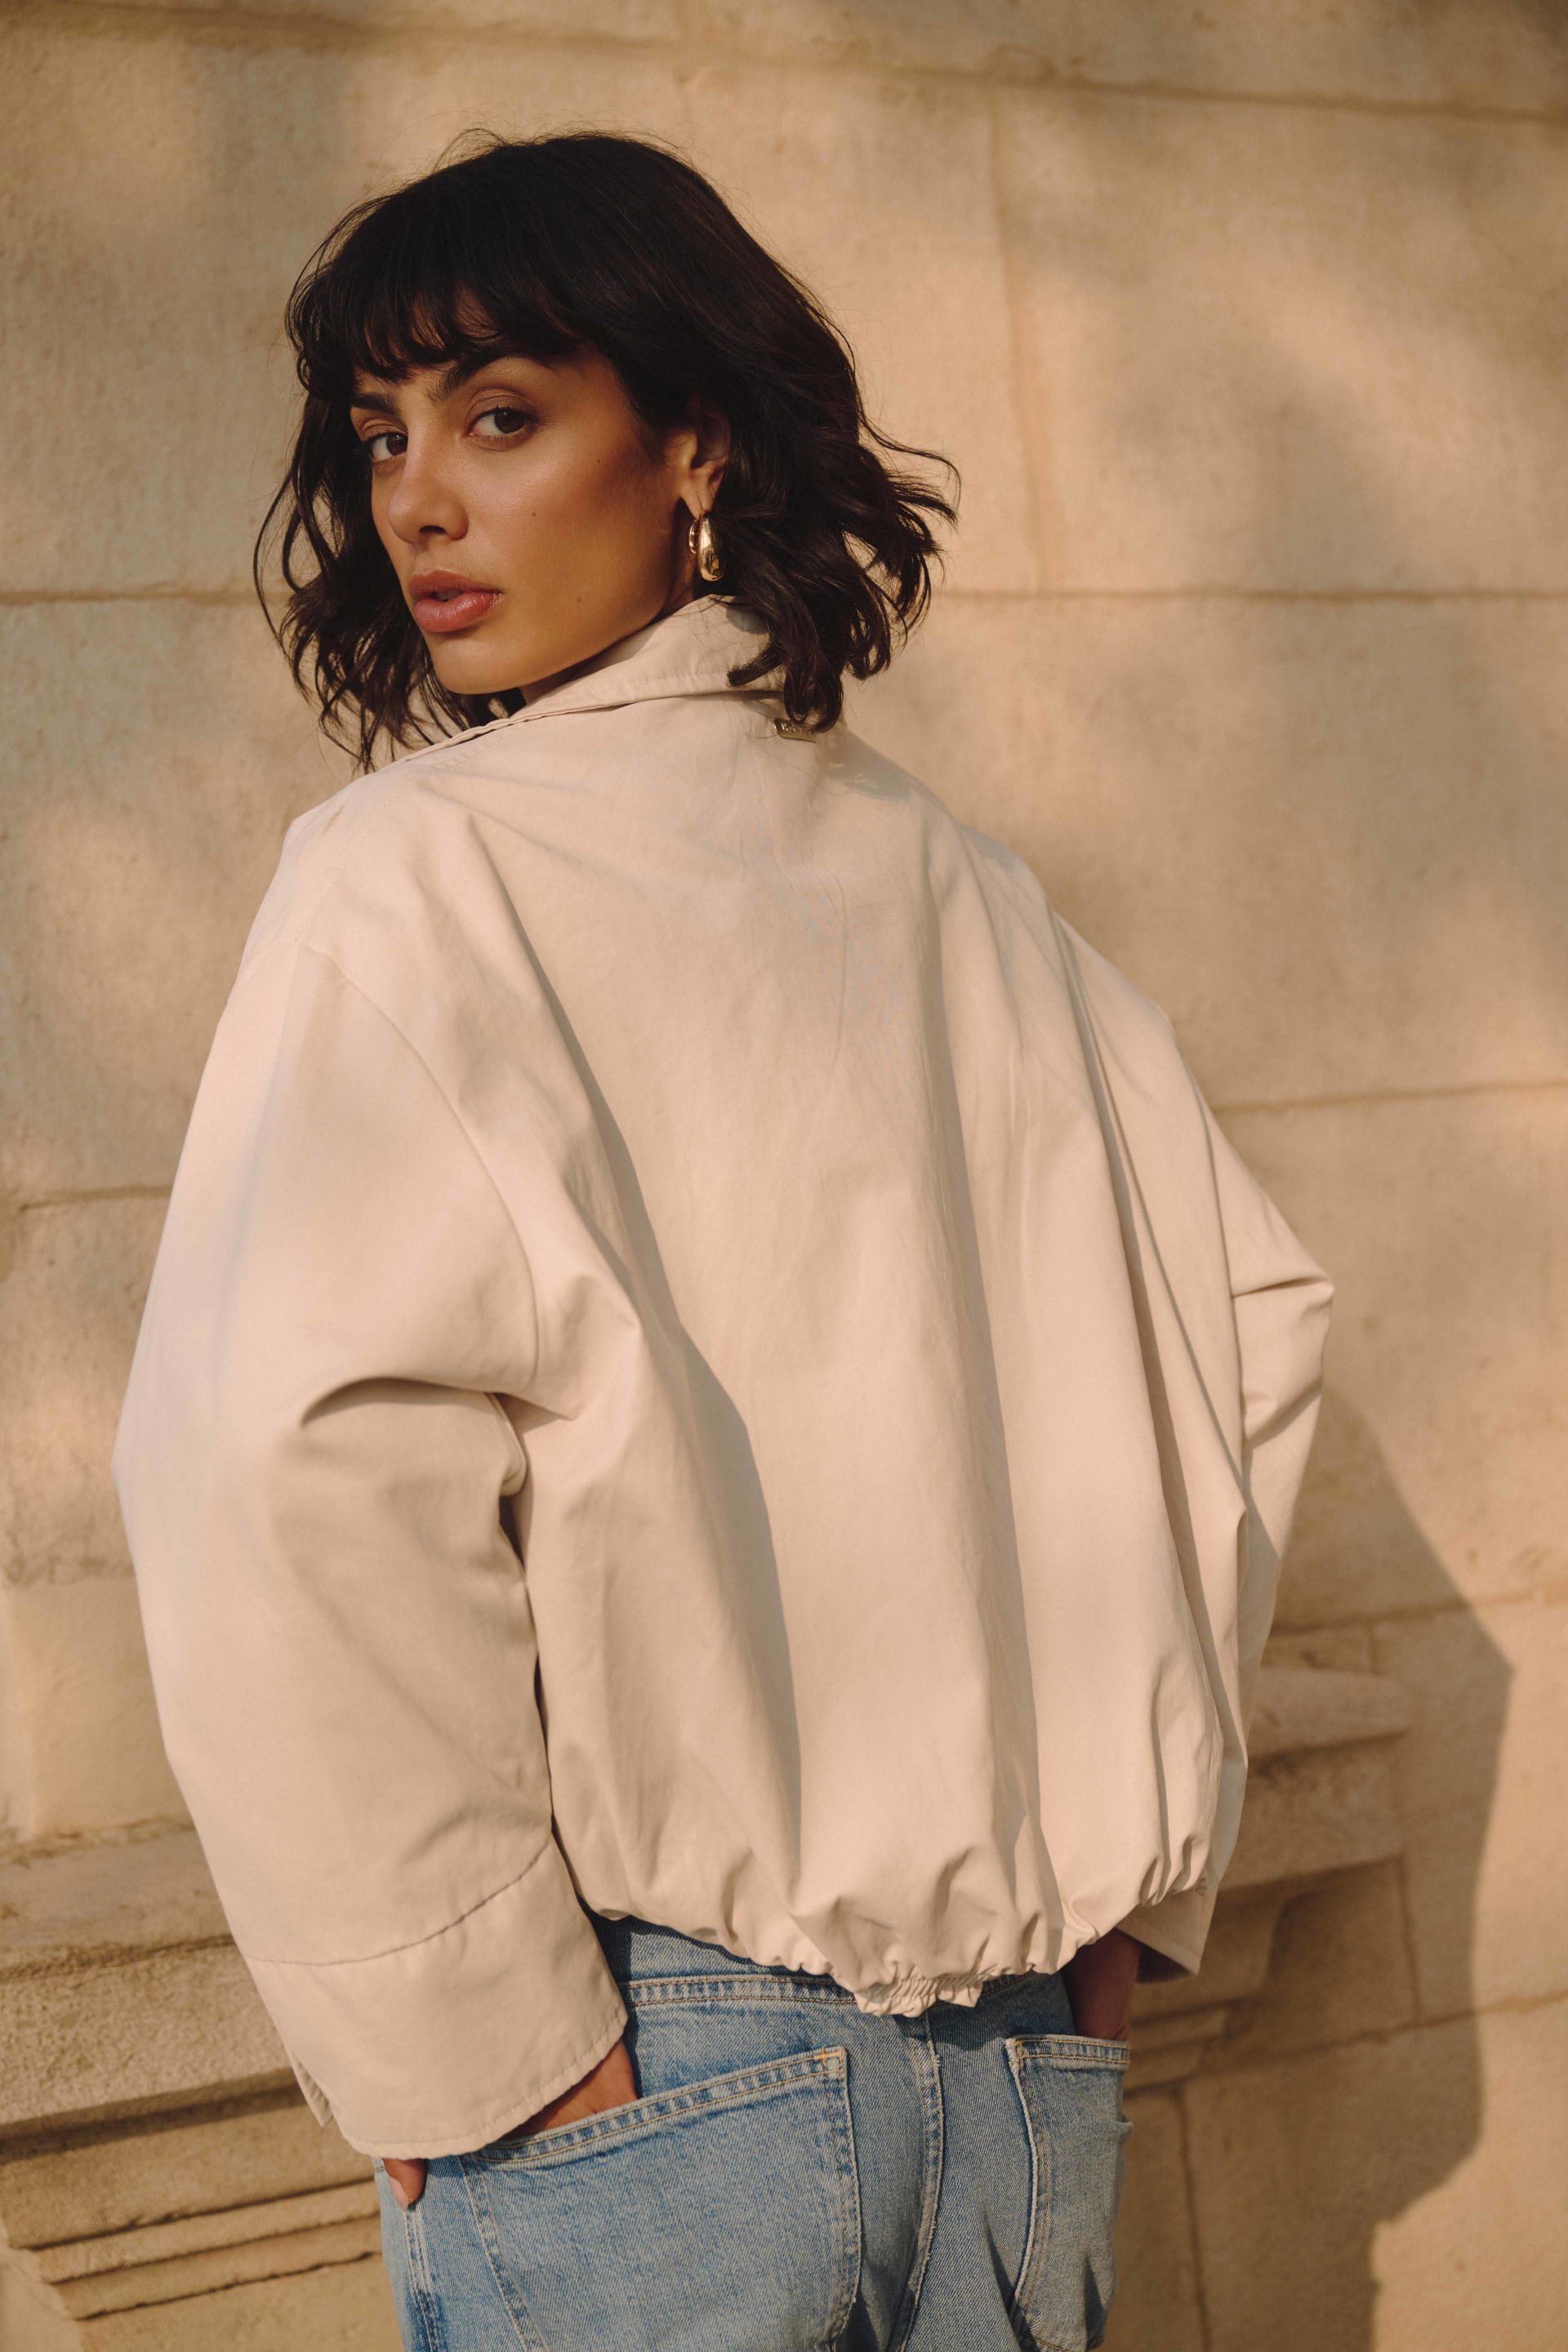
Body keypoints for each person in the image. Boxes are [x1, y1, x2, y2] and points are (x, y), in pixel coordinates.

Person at [112, 132, 1331, 2352]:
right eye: (380, 439)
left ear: (693, 442)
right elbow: (1231, 1357)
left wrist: (468, 2037)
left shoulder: (414, 878)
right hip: (1016, 2077)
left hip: (647, 2070)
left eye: (498, 415)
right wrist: (1123, 1900)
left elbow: (278, 1479)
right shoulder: (975, 896)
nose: (416, 504)